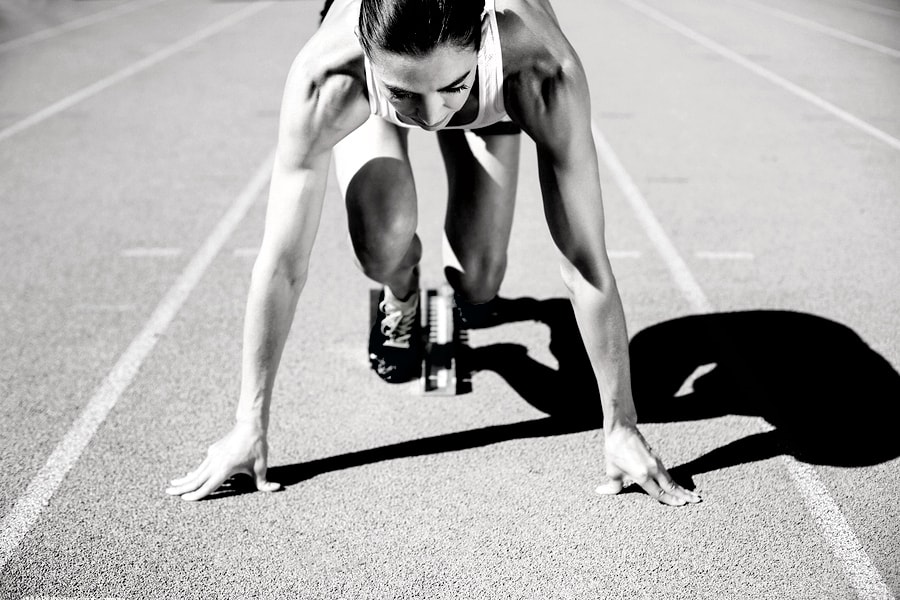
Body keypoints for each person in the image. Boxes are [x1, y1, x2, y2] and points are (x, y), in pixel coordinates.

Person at [166, 0, 701, 506]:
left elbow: (584, 258)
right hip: (397, 84)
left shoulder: (540, 69)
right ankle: (401, 296)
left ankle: (499, 323)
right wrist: (248, 424)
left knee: (478, 281)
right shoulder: (329, 77)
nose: (431, 115)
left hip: (490, 104)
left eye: (451, 89)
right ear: (366, 52)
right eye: (405, 95)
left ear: (484, 40)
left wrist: (622, 427)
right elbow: (283, 264)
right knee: (383, 240)